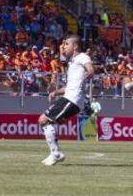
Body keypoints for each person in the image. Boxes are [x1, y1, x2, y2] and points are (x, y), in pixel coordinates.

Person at [38, 36, 94, 166]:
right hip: (70, 97)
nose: (64, 46)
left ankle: (56, 154)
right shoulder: (72, 62)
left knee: (43, 119)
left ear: (75, 46)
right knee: (45, 121)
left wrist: (89, 73)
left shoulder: (82, 57)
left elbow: (91, 69)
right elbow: (69, 87)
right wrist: (55, 92)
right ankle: (55, 153)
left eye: (67, 44)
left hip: (73, 99)